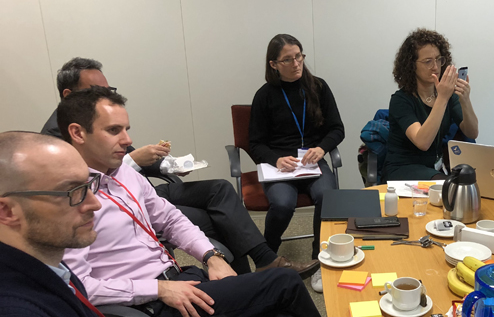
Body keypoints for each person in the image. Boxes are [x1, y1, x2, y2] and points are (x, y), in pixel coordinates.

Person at [58, 86, 321, 317]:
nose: (128, 141)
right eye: (114, 130)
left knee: (277, 307)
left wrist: (211, 256)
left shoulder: (122, 172)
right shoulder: (67, 200)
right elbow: (78, 286)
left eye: (126, 129)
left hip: (182, 280)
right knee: (284, 283)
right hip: (150, 303)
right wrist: (158, 289)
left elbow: (170, 219)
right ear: (78, 133)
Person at [41, 57, 318, 276]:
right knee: (219, 218)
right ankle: (250, 273)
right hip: (125, 203)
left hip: (145, 190)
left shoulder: (98, 117)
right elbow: (103, 182)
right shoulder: (56, 142)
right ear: (69, 95)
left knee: (220, 190)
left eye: (107, 89)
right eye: (95, 90)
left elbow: (124, 159)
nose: (104, 96)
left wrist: (166, 166)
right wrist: (134, 161)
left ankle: (259, 266)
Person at [248, 34, 345, 293]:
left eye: (299, 56)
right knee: (282, 203)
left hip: (313, 163)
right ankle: (267, 258)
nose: (296, 63)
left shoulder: (319, 87)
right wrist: (275, 158)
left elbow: (337, 129)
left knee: (328, 196)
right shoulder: (265, 95)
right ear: (273, 64)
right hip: (281, 166)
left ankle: (320, 259)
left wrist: (322, 148)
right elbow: (255, 143)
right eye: (288, 59)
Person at [0, 131, 102, 316]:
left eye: (87, 185)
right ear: (7, 212)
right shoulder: (16, 309)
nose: (95, 204)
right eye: (71, 192)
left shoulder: (47, 260)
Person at [384, 28, 479, 181]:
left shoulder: (447, 95)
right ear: (411, 65)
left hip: (433, 168)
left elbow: (472, 132)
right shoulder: (401, 100)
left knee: (471, 183)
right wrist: (442, 98)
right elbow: (423, 142)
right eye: (428, 61)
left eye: (439, 59)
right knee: (450, 187)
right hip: (403, 168)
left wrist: (465, 100)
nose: (435, 66)